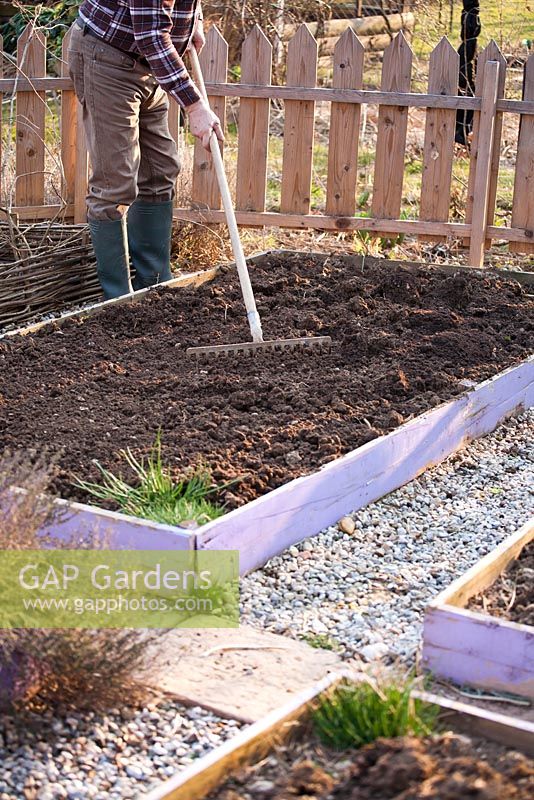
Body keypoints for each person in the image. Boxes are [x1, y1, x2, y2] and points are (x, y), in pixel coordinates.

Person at [68, 0, 224, 299]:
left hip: (147, 63)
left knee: (160, 171)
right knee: (115, 182)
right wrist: (194, 106)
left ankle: (154, 287)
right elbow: (151, 34)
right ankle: (118, 301)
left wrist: (194, 21)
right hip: (107, 56)